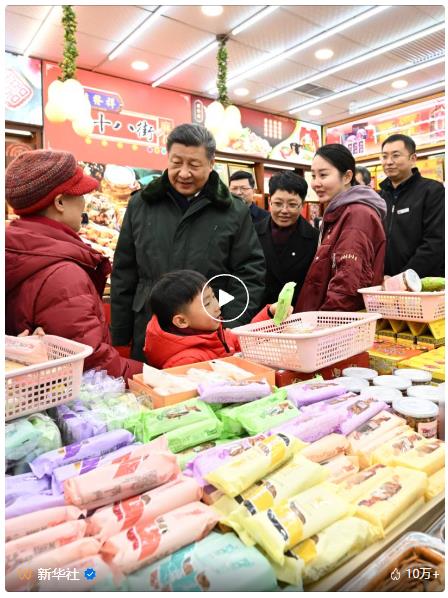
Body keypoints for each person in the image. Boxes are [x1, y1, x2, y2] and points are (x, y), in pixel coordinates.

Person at [111, 124, 266, 362]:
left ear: (211, 163)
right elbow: (124, 272)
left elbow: (249, 273)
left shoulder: (233, 210)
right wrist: (121, 333)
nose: (184, 173)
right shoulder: (141, 204)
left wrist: (229, 324)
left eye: (194, 165)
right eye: (176, 163)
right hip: (150, 330)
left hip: (207, 336)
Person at [5, 149, 143, 381]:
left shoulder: (19, 247)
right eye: (80, 195)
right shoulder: (62, 274)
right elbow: (93, 363)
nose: (83, 203)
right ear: (59, 202)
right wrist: (149, 375)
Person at [295, 144, 387, 312]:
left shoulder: (357, 214)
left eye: (323, 175)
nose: (315, 183)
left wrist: (325, 321)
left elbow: (348, 284)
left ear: (347, 177)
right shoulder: (340, 211)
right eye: (313, 175)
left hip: (336, 321)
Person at [144, 270, 288, 368]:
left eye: (213, 296)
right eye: (207, 303)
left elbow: (244, 339)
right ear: (181, 321)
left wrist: (270, 314)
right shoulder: (186, 362)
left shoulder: (213, 333)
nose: (217, 306)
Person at [379, 133, 444, 277]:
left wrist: (403, 279)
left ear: (413, 159)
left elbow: (435, 242)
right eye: (384, 156)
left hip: (422, 282)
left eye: (396, 156)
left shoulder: (432, 191)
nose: (388, 162)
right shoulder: (379, 197)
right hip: (384, 282)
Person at [254, 171, 318, 305]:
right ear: (269, 201)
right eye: (278, 203)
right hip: (259, 311)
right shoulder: (252, 233)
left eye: (292, 205)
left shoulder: (315, 239)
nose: (284, 210)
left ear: (302, 205)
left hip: (298, 312)